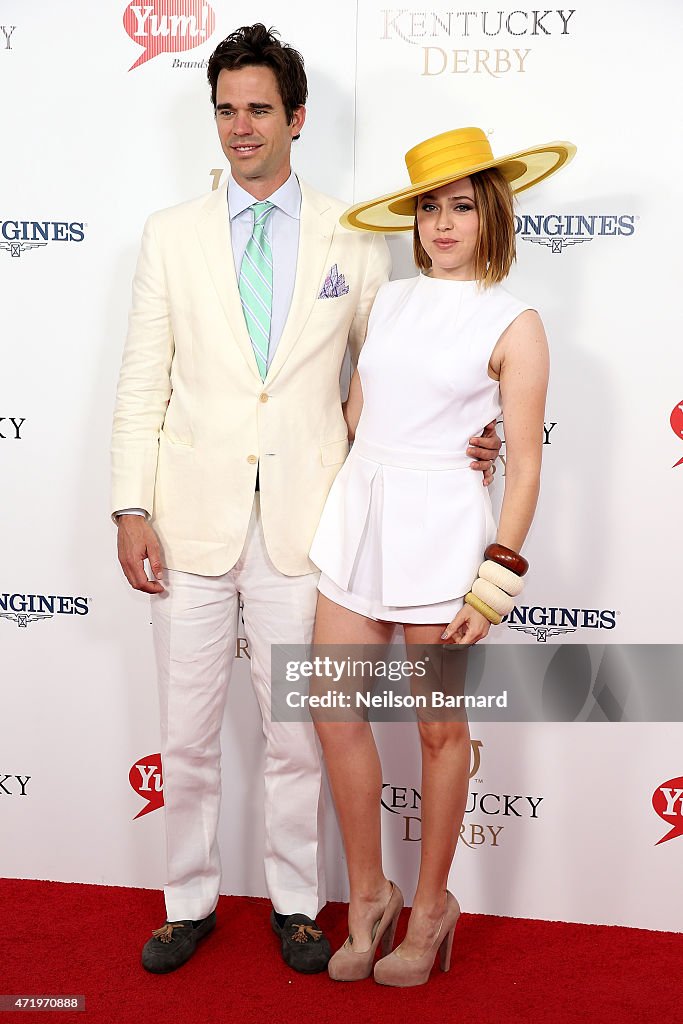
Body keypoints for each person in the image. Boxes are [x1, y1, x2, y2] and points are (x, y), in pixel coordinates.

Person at [111, 25, 501, 975]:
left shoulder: (355, 235)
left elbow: (402, 368)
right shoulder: (168, 234)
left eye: (257, 109)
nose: (239, 128)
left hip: (312, 521)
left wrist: (472, 433)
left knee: (299, 734)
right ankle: (187, 901)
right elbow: (141, 379)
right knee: (186, 730)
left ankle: (298, 904)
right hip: (188, 514)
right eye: (225, 110)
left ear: (295, 117)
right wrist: (129, 506)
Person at [309, 126, 576, 986]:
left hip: (446, 537)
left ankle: (431, 910)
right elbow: (358, 416)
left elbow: (526, 462)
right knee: (334, 711)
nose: (443, 223)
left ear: (489, 210)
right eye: (428, 207)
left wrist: (494, 579)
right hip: (361, 516)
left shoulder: (515, 321)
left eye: (460, 205)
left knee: (436, 732)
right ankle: (367, 896)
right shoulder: (387, 299)